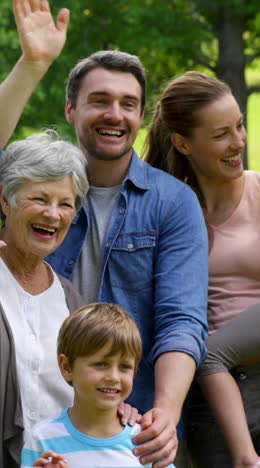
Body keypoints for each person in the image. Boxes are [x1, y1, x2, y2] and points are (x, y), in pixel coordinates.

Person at [0, 1, 209, 466]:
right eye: (100, 101)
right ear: (71, 110)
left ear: (140, 116)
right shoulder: (34, 183)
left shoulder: (173, 203)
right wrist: (32, 66)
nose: (114, 114)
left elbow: (182, 320)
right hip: (34, 414)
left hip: (124, 426)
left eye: (128, 104)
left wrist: (163, 416)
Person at [144, 70, 260, 467]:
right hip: (213, 403)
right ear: (182, 143)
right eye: (220, 135)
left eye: (240, 127)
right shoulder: (170, 210)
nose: (238, 142)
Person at [0, 130, 88, 467]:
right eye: (39, 198)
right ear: (5, 200)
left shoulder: (70, 299)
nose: (53, 214)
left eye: (65, 204)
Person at [21, 302, 176, 468]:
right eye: (101, 364)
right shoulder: (42, 439)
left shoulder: (147, 442)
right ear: (67, 367)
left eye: (125, 367)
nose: (113, 377)